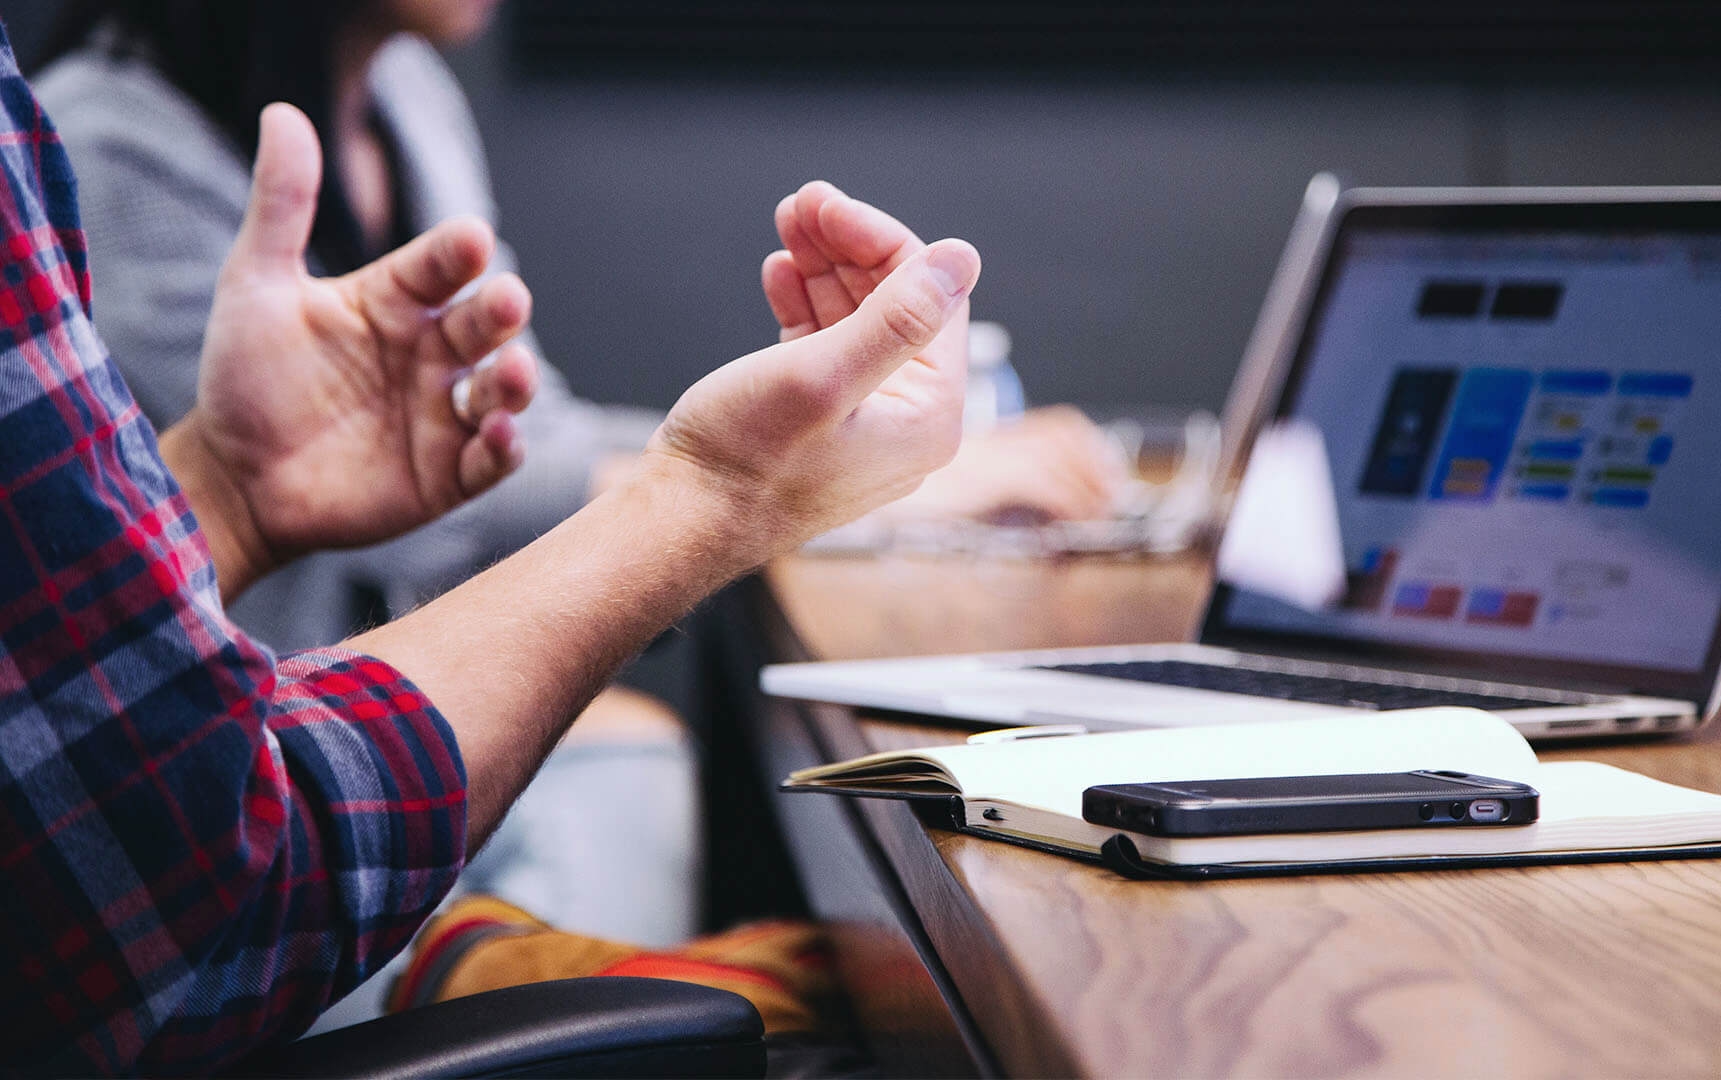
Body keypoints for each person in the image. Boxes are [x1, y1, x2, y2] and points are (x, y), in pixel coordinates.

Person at [32, 0, 1125, 960]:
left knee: (651, 762)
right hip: (245, 814)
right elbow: (450, 518)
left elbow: (512, 432)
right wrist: (758, 483)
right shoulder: (104, 143)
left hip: (334, 743)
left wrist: (230, 488)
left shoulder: (405, 95)